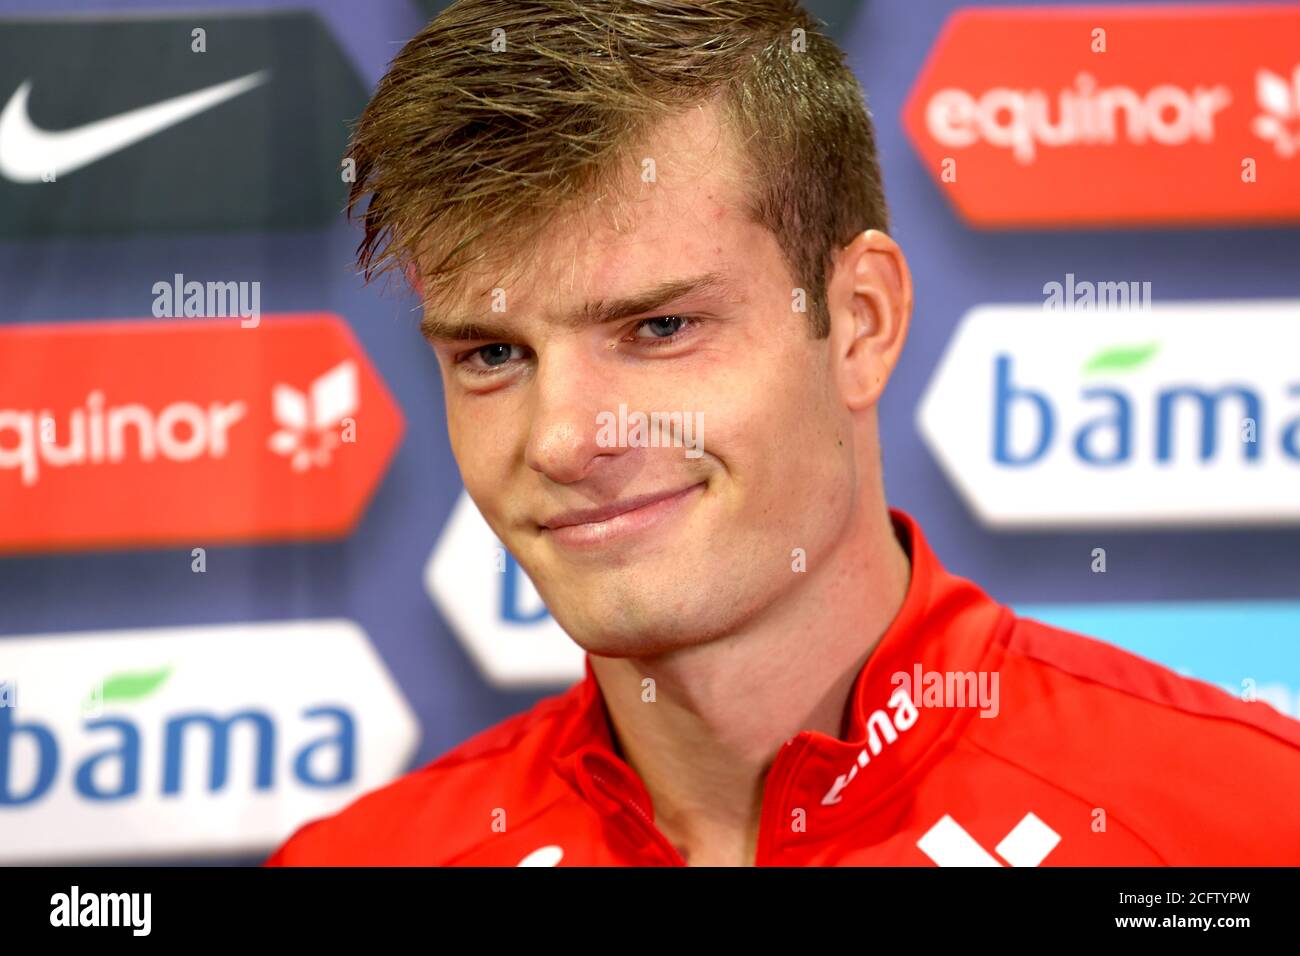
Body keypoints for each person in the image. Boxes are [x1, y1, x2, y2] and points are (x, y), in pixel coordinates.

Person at [265, 0, 1300, 866]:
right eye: (491, 354)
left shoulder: (1241, 819)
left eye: (659, 327)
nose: (565, 439)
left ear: (860, 323)